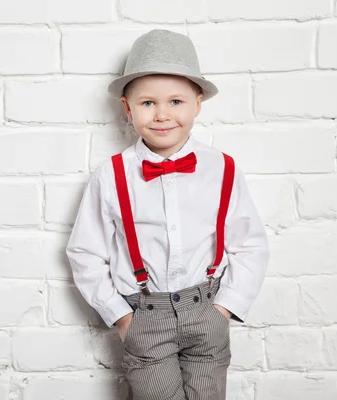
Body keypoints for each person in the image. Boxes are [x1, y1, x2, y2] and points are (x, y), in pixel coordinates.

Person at [66, 29, 269, 400]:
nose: (162, 114)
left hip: (206, 309)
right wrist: (122, 317)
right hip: (144, 317)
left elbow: (249, 242)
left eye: (176, 101)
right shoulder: (111, 175)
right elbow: (85, 252)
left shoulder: (222, 168)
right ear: (127, 108)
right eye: (147, 103)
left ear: (198, 103)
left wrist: (224, 309)